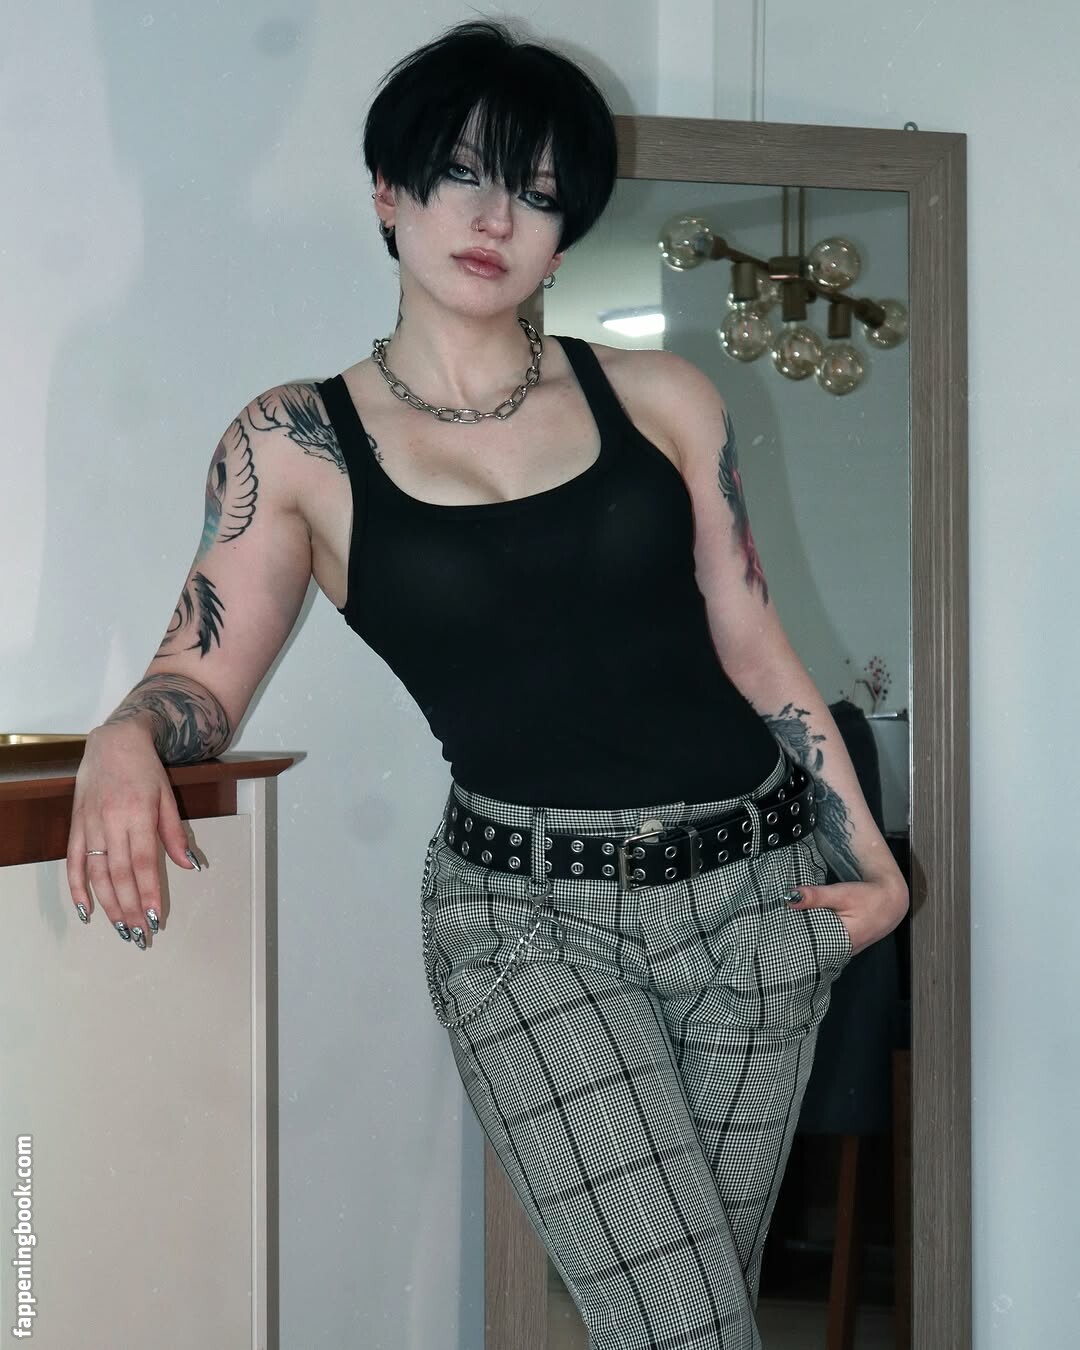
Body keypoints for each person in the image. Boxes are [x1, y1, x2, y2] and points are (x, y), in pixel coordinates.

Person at [65, 19, 908, 1350]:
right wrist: (123, 736)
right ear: (387, 193)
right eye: (460, 172)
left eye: (537, 189)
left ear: (564, 235)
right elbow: (197, 677)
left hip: (760, 897)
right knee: (687, 1331)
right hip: (528, 923)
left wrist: (875, 870)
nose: (494, 215)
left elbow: (756, 647)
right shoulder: (295, 444)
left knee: (693, 1312)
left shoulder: (663, 398)